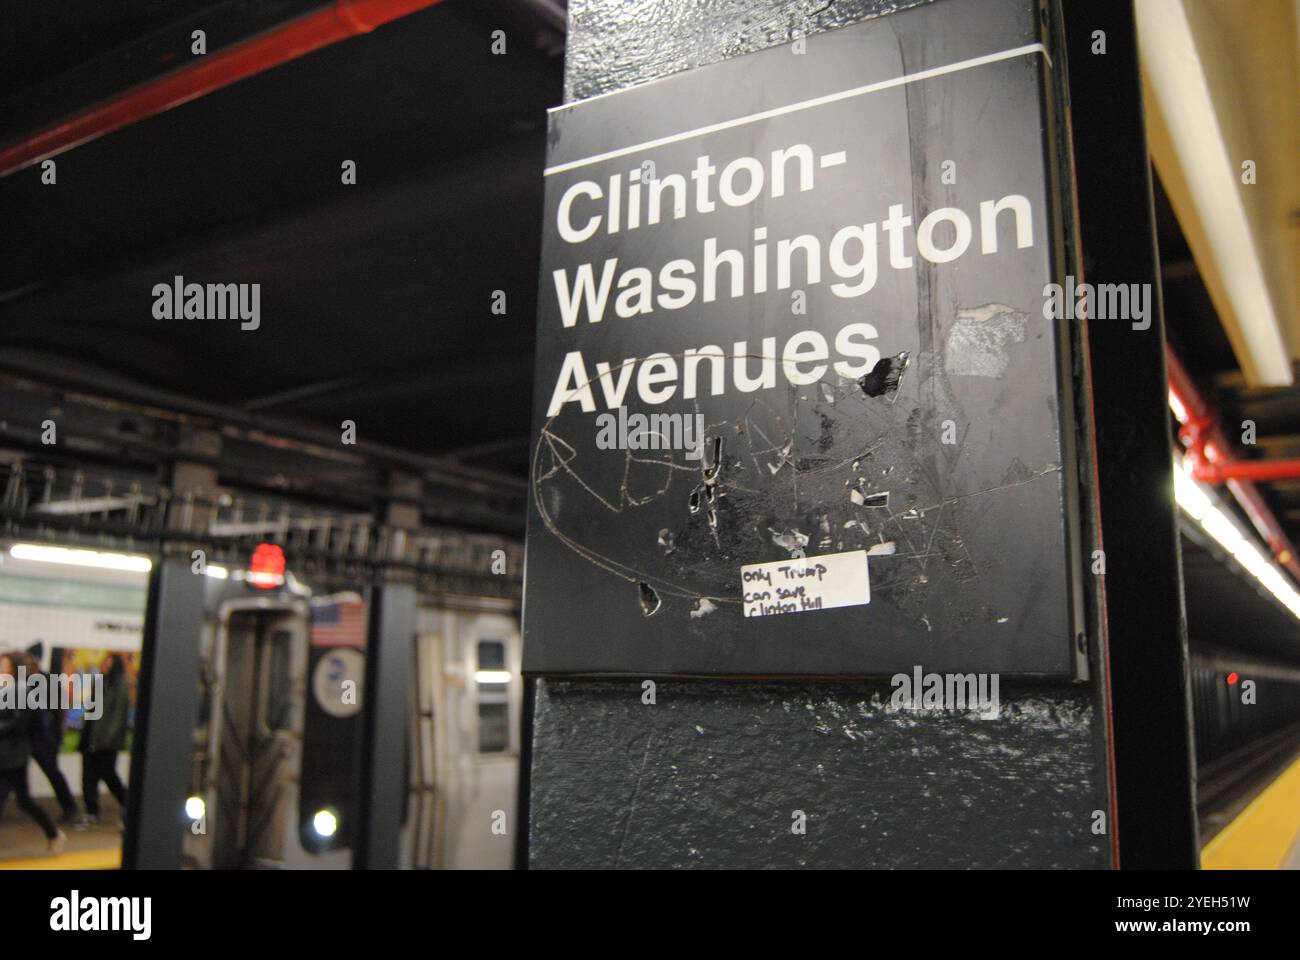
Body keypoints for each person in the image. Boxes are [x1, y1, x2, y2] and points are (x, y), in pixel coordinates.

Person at [0, 653, 67, 853]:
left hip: (14, 755)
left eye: (4, 664)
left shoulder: (24, 692)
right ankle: (53, 833)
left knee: (13, 798)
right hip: (4, 753)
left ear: (14, 668)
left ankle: (54, 834)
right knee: (25, 800)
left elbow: (19, 724)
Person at [15, 652, 79, 824]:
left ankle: (70, 808)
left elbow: (60, 708)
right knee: (15, 776)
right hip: (27, 738)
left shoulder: (47, 681)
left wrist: (58, 732)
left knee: (52, 773)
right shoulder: (21, 681)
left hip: (44, 738)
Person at [77, 653, 129, 828]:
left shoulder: (119, 688)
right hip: (91, 737)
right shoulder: (99, 684)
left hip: (106, 743)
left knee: (109, 775)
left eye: (109, 662)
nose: (105, 665)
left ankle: (129, 804)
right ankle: (91, 812)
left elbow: (117, 717)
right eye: (104, 662)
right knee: (88, 777)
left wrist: (107, 739)